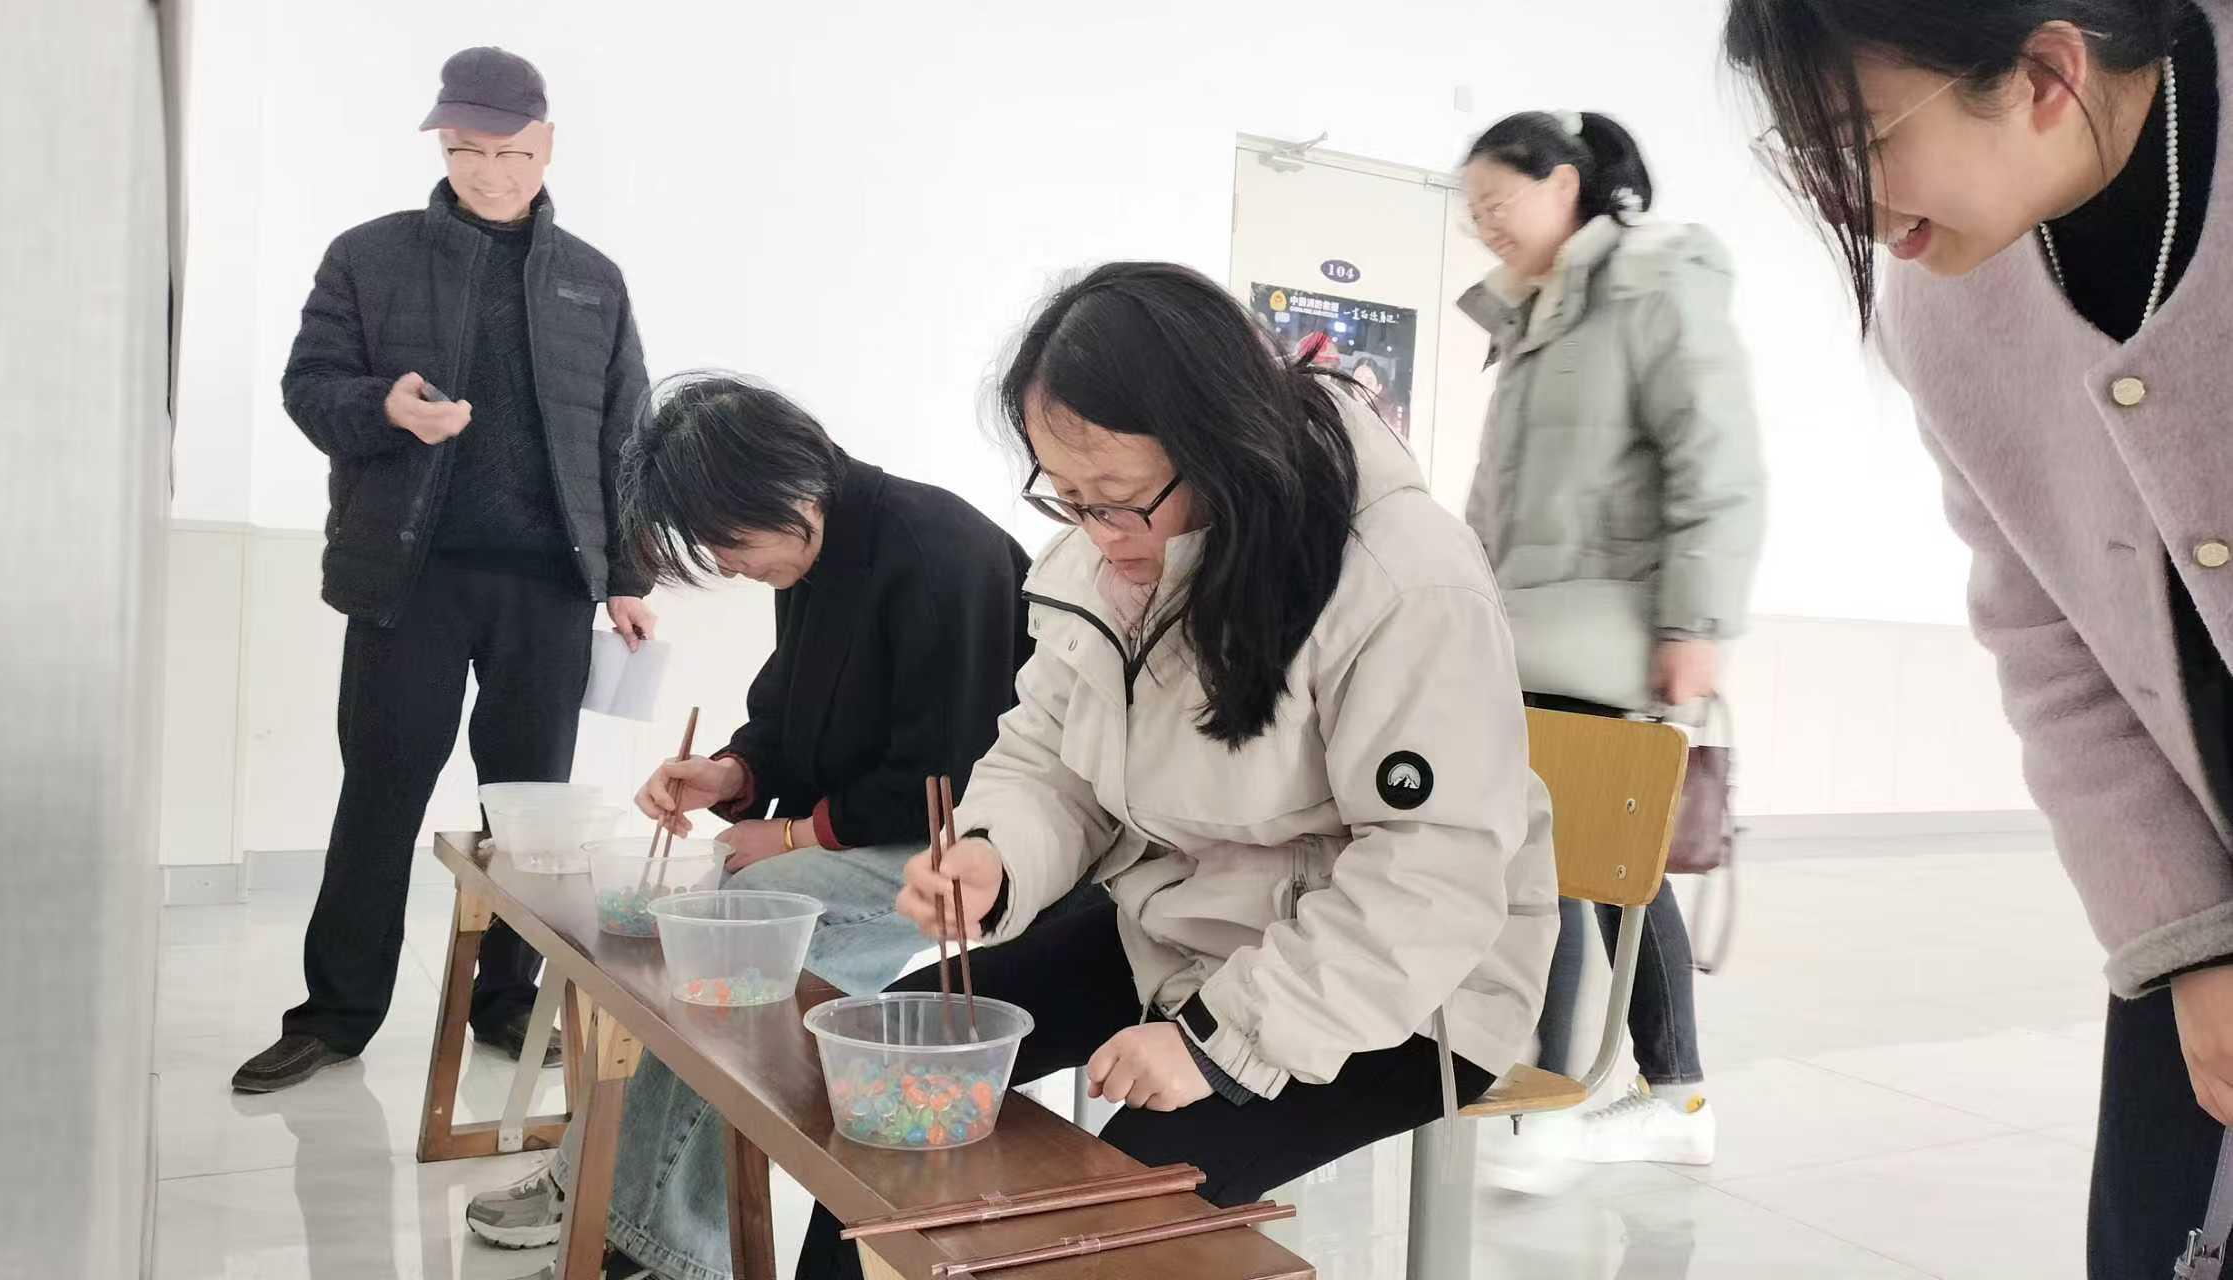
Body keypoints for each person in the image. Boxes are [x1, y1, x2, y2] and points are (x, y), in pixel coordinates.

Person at [788, 260, 1562, 1278]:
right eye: (1066, 498)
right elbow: (1047, 752)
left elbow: (1432, 873)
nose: (1096, 534)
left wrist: (1214, 1042)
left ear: (1225, 449)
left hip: (1401, 990)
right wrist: (993, 854)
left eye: (1117, 500)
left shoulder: (1402, 577)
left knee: (1095, 1208)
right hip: (1186, 922)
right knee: (900, 1058)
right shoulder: (1108, 558)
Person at [1723, 1, 2233, 1272]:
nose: (1838, 203)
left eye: (1858, 144)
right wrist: (2189, 938)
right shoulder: (1942, 310)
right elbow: (2050, 645)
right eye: (1802, 158)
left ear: (2044, 73)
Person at [473, 373, 1036, 1279]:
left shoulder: (939, 553)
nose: (727, 565)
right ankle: (604, 1186)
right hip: (875, 829)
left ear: (789, 489)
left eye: (728, 542)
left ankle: (650, 1236)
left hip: (963, 851)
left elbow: (946, 774)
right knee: (711, 929)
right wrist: (732, 774)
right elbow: (789, 716)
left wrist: (794, 837)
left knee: (748, 935)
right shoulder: (817, 550)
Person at [235, 47, 660, 1093]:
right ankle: (334, 1016)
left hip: (548, 587)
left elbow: (627, 435)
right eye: (469, 150)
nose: (491, 173)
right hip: (407, 578)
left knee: (530, 813)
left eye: (513, 153)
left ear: (547, 147)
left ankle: (508, 1003)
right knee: (379, 796)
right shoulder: (367, 256)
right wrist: (382, 407)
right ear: (442, 141)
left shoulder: (593, 280)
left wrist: (629, 573)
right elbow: (308, 386)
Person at [1454, 109, 1765, 1188]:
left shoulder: (1651, 283)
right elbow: (1497, 503)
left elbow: (1715, 459)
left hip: (1605, 635)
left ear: (1563, 184)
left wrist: (1696, 625)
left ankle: (1578, 1098)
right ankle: (1646, 1093)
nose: (1483, 224)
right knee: (1585, 867)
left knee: (1590, 865)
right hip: (1524, 638)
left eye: (1496, 200)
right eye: (1471, 210)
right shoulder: (1532, 314)